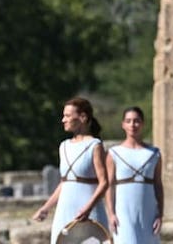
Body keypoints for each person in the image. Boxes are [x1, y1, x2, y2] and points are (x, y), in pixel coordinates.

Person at [32, 97, 109, 244]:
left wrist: (88, 208)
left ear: (83, 117)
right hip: (65, 210)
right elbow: (65, 182)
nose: (63, 120)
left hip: (89, 211)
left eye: (67, 116)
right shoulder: (64, 146)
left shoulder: (95, 145)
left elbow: (104, 182)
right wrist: (46, 208)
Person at [105, 106, 163, 244]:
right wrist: (111, 213)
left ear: (142, 124)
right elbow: (110, 185)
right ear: (123, 125)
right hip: (123, 211)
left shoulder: (154, 153)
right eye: (128, 121)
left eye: (136, 121)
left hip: (148, 210)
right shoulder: (114, 153)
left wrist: (160, 214)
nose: (133, 125)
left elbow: (158, 185)